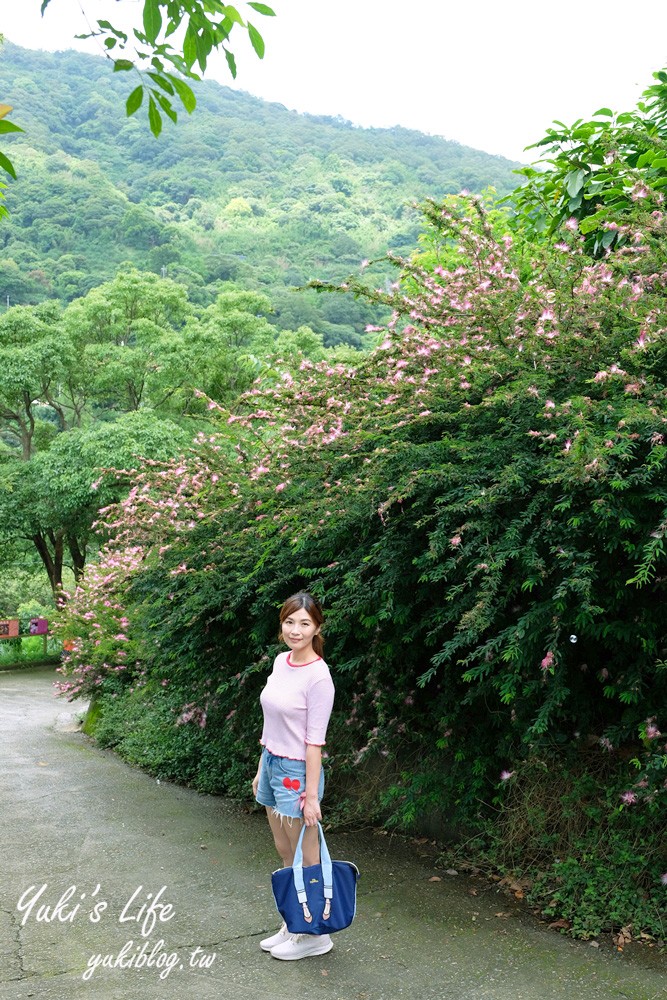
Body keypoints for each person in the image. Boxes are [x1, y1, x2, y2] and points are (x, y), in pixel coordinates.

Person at [252, 591, 335, 961]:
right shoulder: (280, 662)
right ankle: (294, 922)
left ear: (317, 627)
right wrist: (260, 769)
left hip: (297, 775)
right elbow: (271, 721)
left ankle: (316, 934)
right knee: (285, 851)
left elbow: (314, 742)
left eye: (304, 623)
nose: (295, 630)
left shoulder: (319, 677)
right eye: (289, 622)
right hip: (272, 764)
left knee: (307, 856)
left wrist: (312, 796)